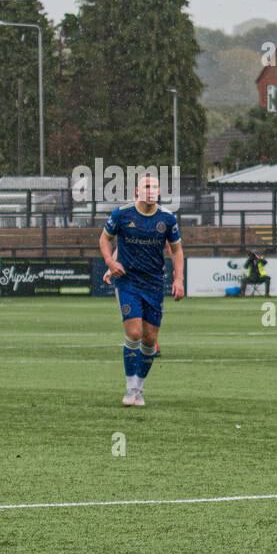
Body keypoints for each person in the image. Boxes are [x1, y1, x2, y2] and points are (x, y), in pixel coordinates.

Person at [99, 174, 185, 406]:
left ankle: (139, 389)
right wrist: (110, 262)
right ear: (137, 191)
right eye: (146, 186)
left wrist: (179, 279)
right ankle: (129, 389)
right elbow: (105, 239)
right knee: (135, 333)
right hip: (128, 281)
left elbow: (176, 251)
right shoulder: (122, 214)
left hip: (155, 284)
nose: (151, 190)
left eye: (155, 186)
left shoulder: (167, 219)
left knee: (149, 339)